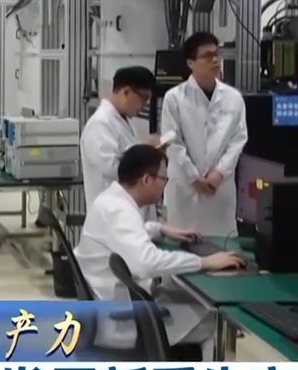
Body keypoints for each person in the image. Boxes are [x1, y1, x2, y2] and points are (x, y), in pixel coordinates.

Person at [74, 144, 245, 358]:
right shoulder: (120, 210)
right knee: (215, 321)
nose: (165, 185)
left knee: (185, 300)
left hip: (105, 311)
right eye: (164, 179)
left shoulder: (109, 200)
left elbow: (122, 233)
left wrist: (160, 229)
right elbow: (147, 263)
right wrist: (205, 262)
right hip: (120, 321)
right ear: (146, 179)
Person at [160, 32, 249, 237]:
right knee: (182, 244)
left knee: (222, 246)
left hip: (219, 190)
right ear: (190, 63)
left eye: (217, 54)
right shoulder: (174, 98)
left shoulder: (233, 98)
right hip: (185, 189)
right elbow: (172, 141)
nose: (215, 60)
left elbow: (238, 139)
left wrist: (220, 173)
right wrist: (193, 177)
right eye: (208, 56)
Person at [80, 66, 163, 213]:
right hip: (112, 212)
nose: (145, 105)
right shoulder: (100, 124)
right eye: (143, 98)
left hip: (128, 209)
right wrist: (144, 150)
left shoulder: (124, 120)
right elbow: (113, 168)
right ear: (126, 92)